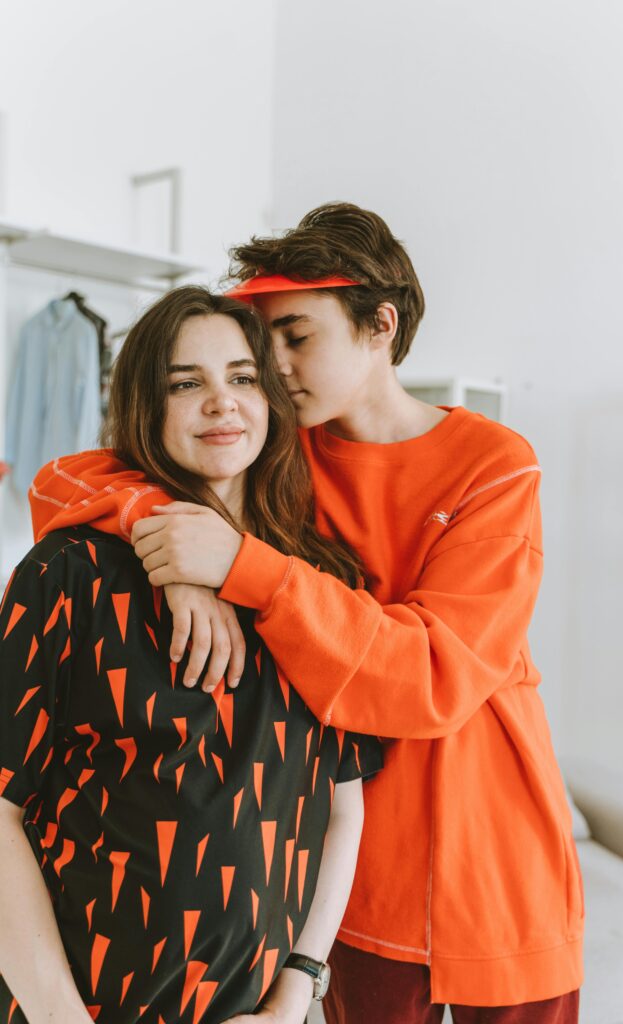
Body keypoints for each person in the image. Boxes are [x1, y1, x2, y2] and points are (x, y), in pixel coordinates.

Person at [29, 203, 583, 1024]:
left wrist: (238, 563)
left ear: (379, 326)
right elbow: (65, 482)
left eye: (294, 334)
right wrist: (170, 543)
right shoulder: (276, 458)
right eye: (263, 343)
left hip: (494, 860)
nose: (273, 365)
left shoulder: (495, 467)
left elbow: (430, 678)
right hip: (347, 869)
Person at [0, 286, 382, 1024]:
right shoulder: (66, 573)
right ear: (147, 405)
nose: (221, 403)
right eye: (186, 383)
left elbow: (343, 808)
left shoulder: (323, 583)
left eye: (243, 377)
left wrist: (294, 995)